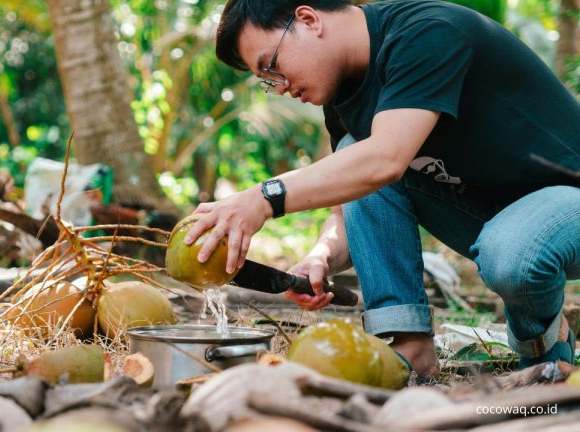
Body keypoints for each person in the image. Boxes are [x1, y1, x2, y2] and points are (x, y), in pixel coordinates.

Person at [184, 0, 580, 378]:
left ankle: (543, 354)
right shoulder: (344, 94)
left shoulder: (428, 33)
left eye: (272, 66)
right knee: (353, 151)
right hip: (494, 219)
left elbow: (385, 159)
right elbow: (352, 202)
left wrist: (263, 197)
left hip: (567, 204)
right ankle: (408, 344)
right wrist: (321, 257)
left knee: (511, 250)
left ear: (308, 19)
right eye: (268, 81)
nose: (281, 86)